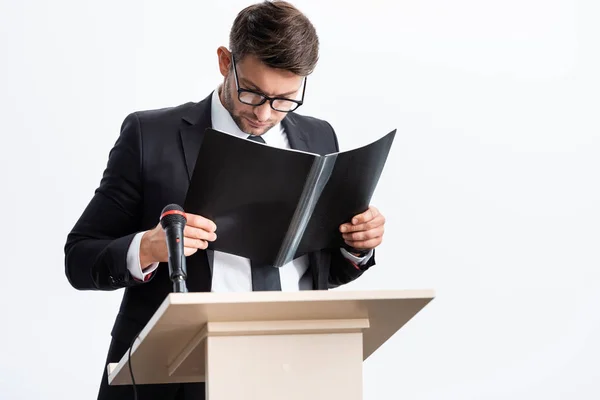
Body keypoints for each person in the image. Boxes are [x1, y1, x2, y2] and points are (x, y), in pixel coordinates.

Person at [64, 1, 386, 399]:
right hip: (179, 375)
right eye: (252, 93)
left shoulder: (320, 138)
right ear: (224, 61)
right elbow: (79, 259)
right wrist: (145, 249)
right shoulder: (150, 136)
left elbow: (318, 271)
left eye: (285, 99)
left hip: (295, 368)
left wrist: (357, 246)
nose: (265, 114)